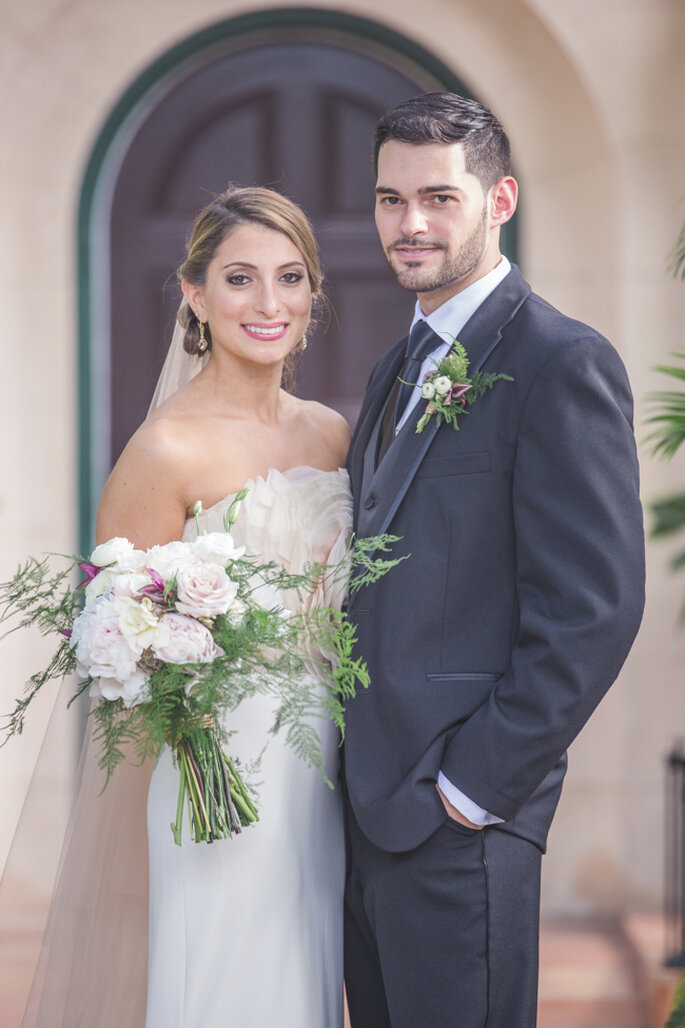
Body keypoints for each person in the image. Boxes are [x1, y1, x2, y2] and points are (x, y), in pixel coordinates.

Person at [343, 92, 645, 1028]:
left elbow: (592, 608)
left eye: (438, 197)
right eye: (391, 200)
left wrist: (471, 790)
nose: (411, 223)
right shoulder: (393, 368)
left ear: (499, 200)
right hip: (367, 813)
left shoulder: (561, 362)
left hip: (459, 816)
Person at [18, 185, 352, 1026]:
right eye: (240, 279)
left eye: (289, 277)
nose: (268, 303)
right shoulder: (164, 449)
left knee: (306, 980)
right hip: (220, 775)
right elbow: (118, 632)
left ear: (313, 293)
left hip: (331, 762)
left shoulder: (332, 433)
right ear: (195, 295)